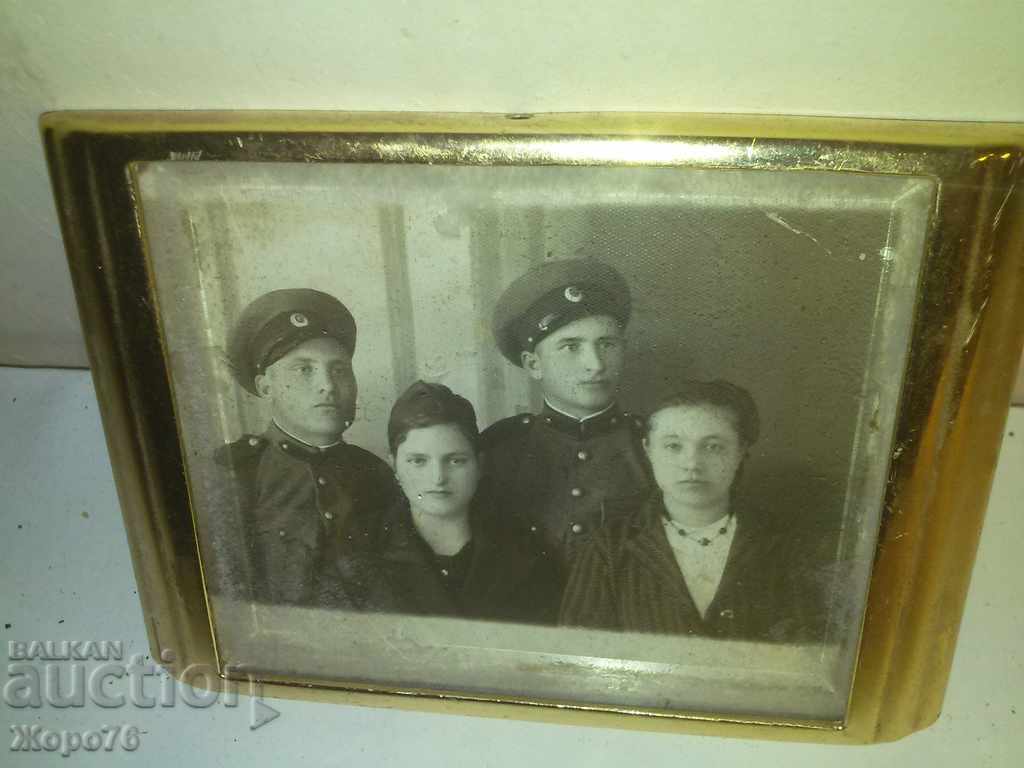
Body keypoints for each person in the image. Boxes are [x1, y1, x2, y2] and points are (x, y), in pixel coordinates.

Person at [560, 380, 826, 643]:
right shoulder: (607, 548)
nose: (691, 464)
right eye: (673, 446)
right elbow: (578, 661)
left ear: (740, 451)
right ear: (648, 450)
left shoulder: (785, 545)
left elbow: (810, 657)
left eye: (713, 447)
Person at [212, 288, 396, 607]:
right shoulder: (236, 474)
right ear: (265, 386)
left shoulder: (375, 472)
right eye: (304, 369)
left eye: (339, 370)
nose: (327, 384)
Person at [330, 381, 559, 623]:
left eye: (455, 461)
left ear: (479, 465)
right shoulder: (360, 552)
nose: (438, 478)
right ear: (394, 465)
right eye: (418, 461)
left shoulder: (523, 551)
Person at [481, 258, 651, 583]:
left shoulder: (654, 448)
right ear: (533, 365)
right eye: (571, 346)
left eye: (607, 344)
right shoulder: (499, 451)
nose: (595, 364)